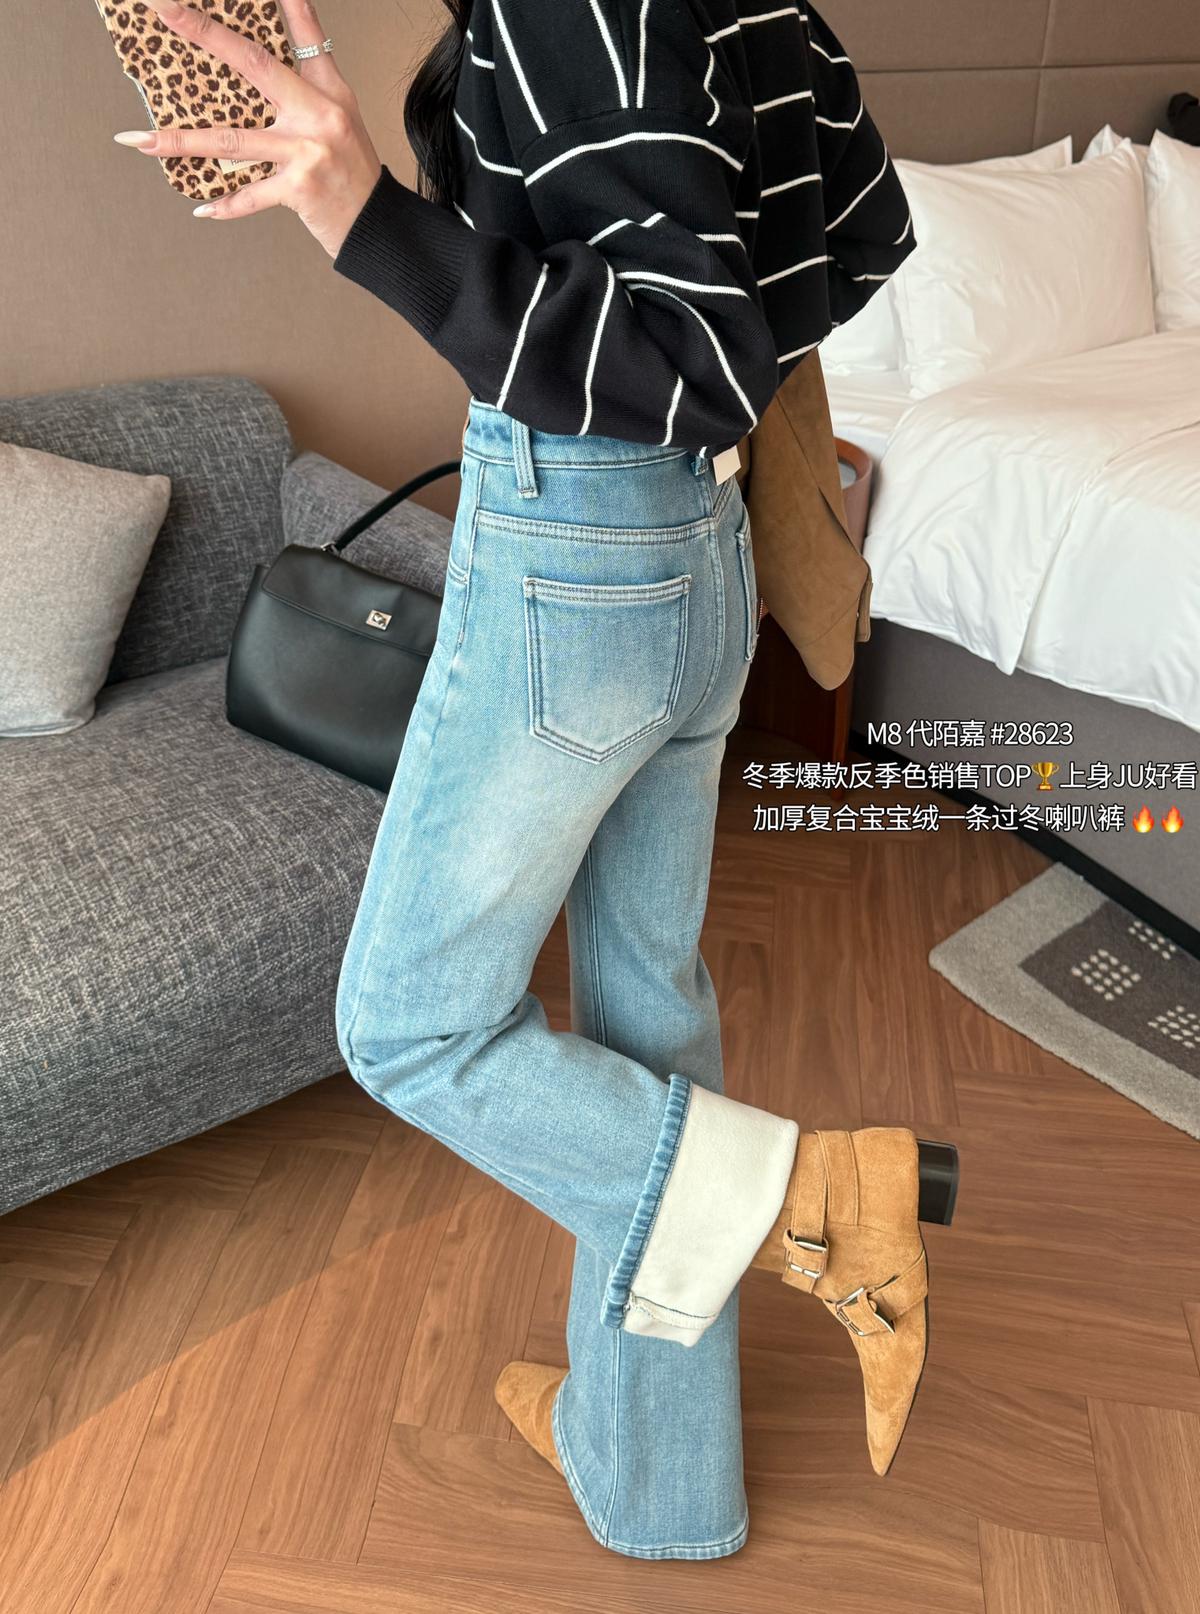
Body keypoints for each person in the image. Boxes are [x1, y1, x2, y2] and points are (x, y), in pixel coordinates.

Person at [122, 0, 959, 1563]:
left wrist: (364, 214)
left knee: (410, 1022)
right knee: (650, 1016)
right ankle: (658, 1478)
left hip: (580, 552)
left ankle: (814, 1197)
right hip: (692, 551)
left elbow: (694, 351)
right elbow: (851, 224)